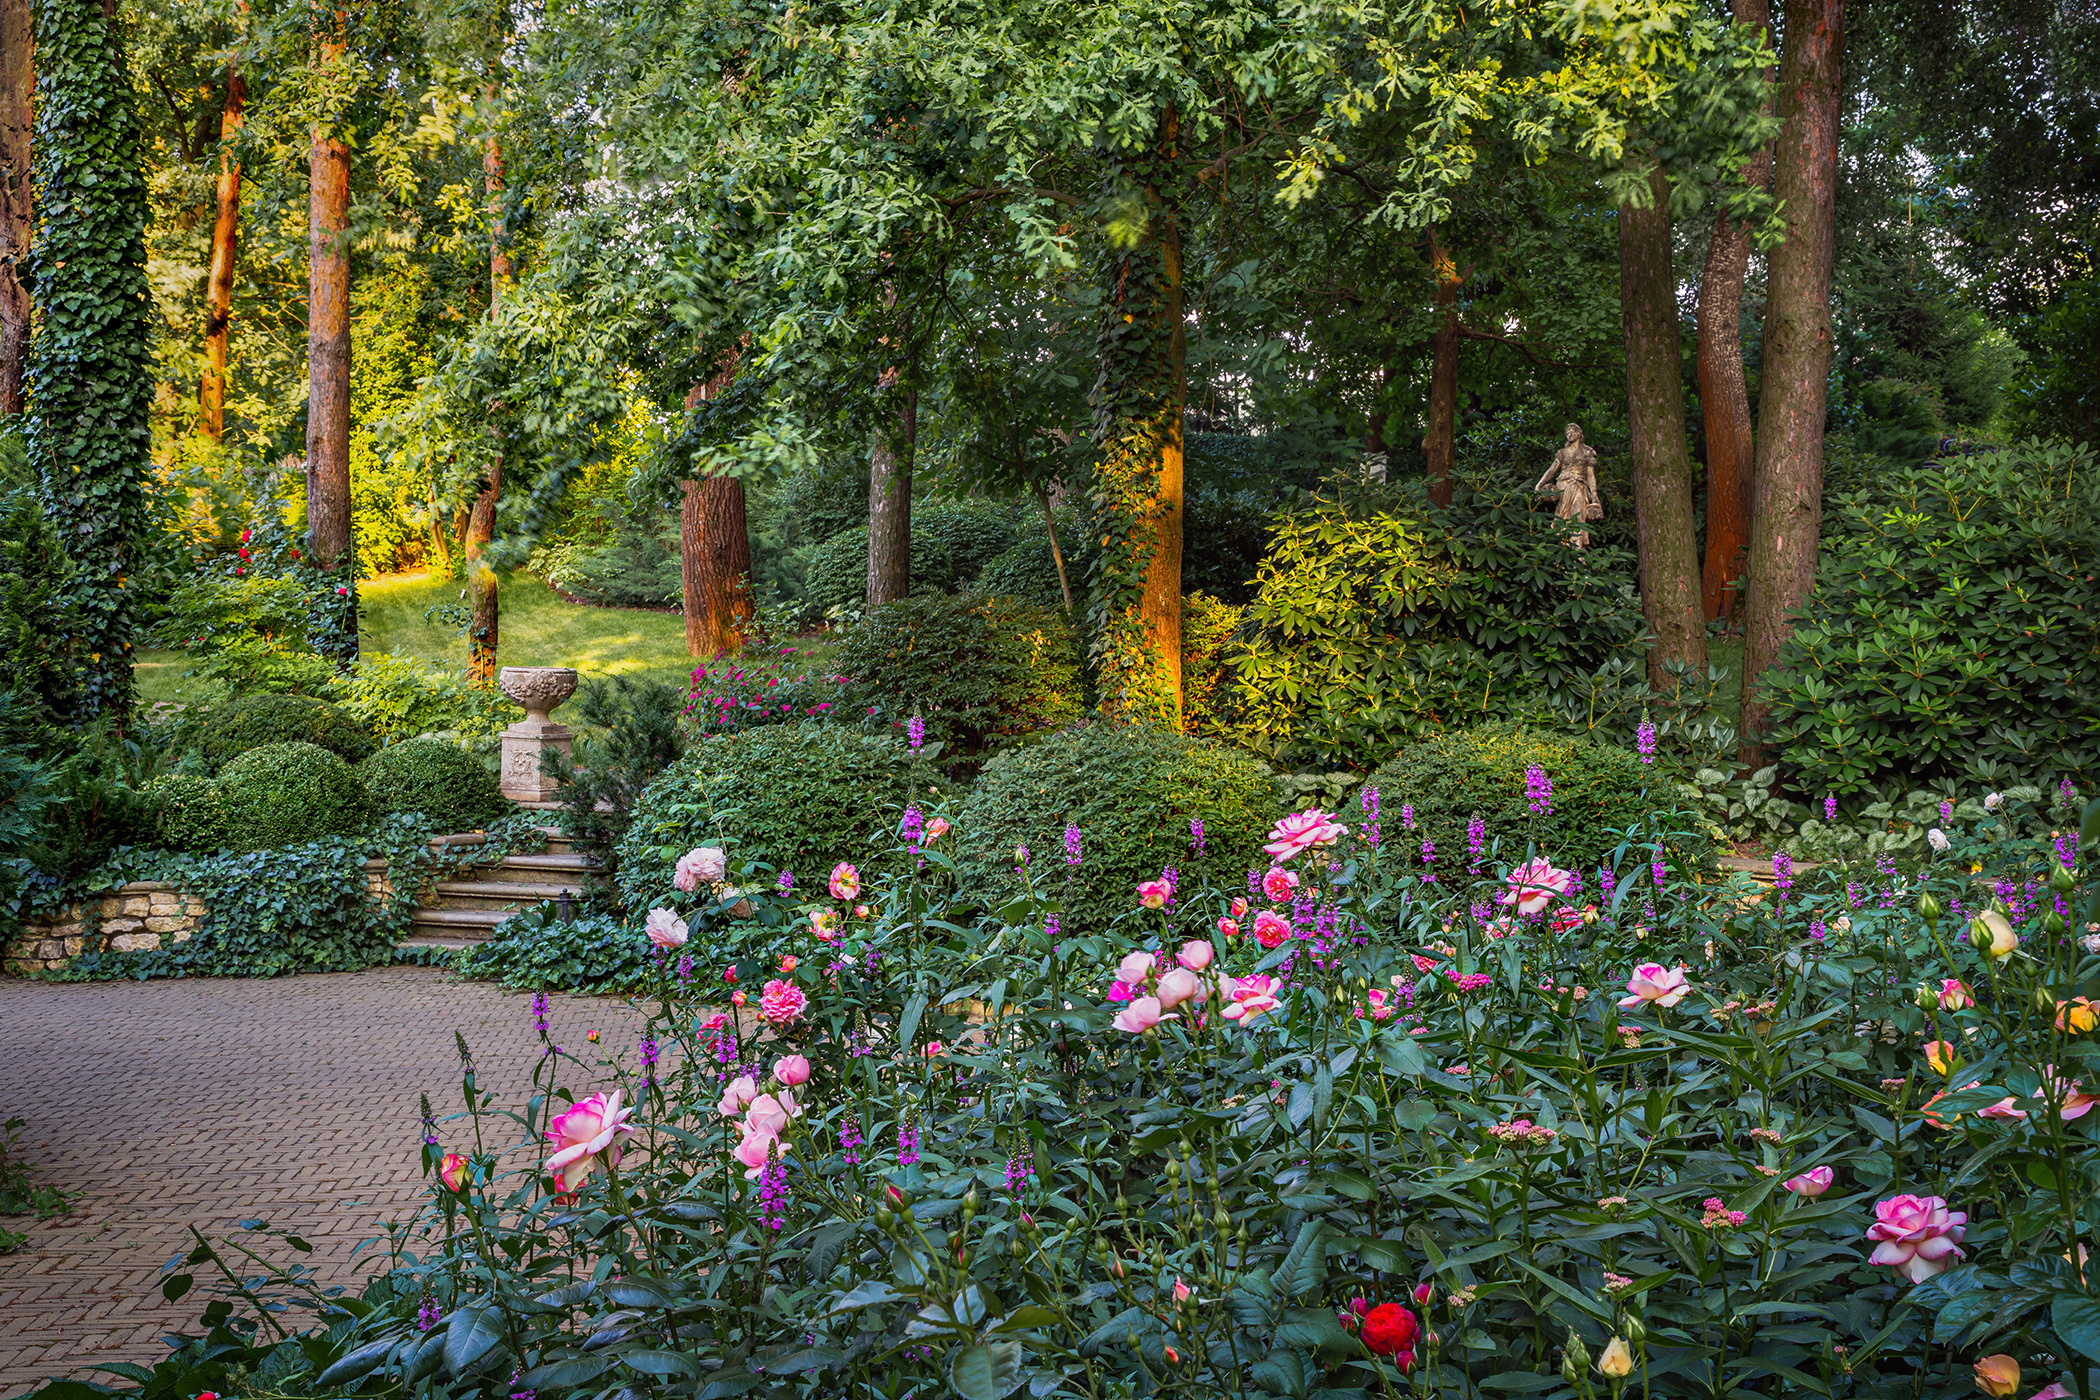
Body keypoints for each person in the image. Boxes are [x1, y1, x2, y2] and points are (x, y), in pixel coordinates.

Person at [1533, 423, 1602, 549]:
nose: (1569, 434)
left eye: (1571, 431)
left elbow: (1590, 476)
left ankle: (1578, 550)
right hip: (1563, 486)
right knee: (1563, 518)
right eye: (1567, 433)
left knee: (1578, 515)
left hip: (1579, 486)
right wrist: (1538, 485)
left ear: (1579, 433)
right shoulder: (1562, 453)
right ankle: (1565, 549)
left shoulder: (1587, 452)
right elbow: (1551, 470)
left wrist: (1594, 495)